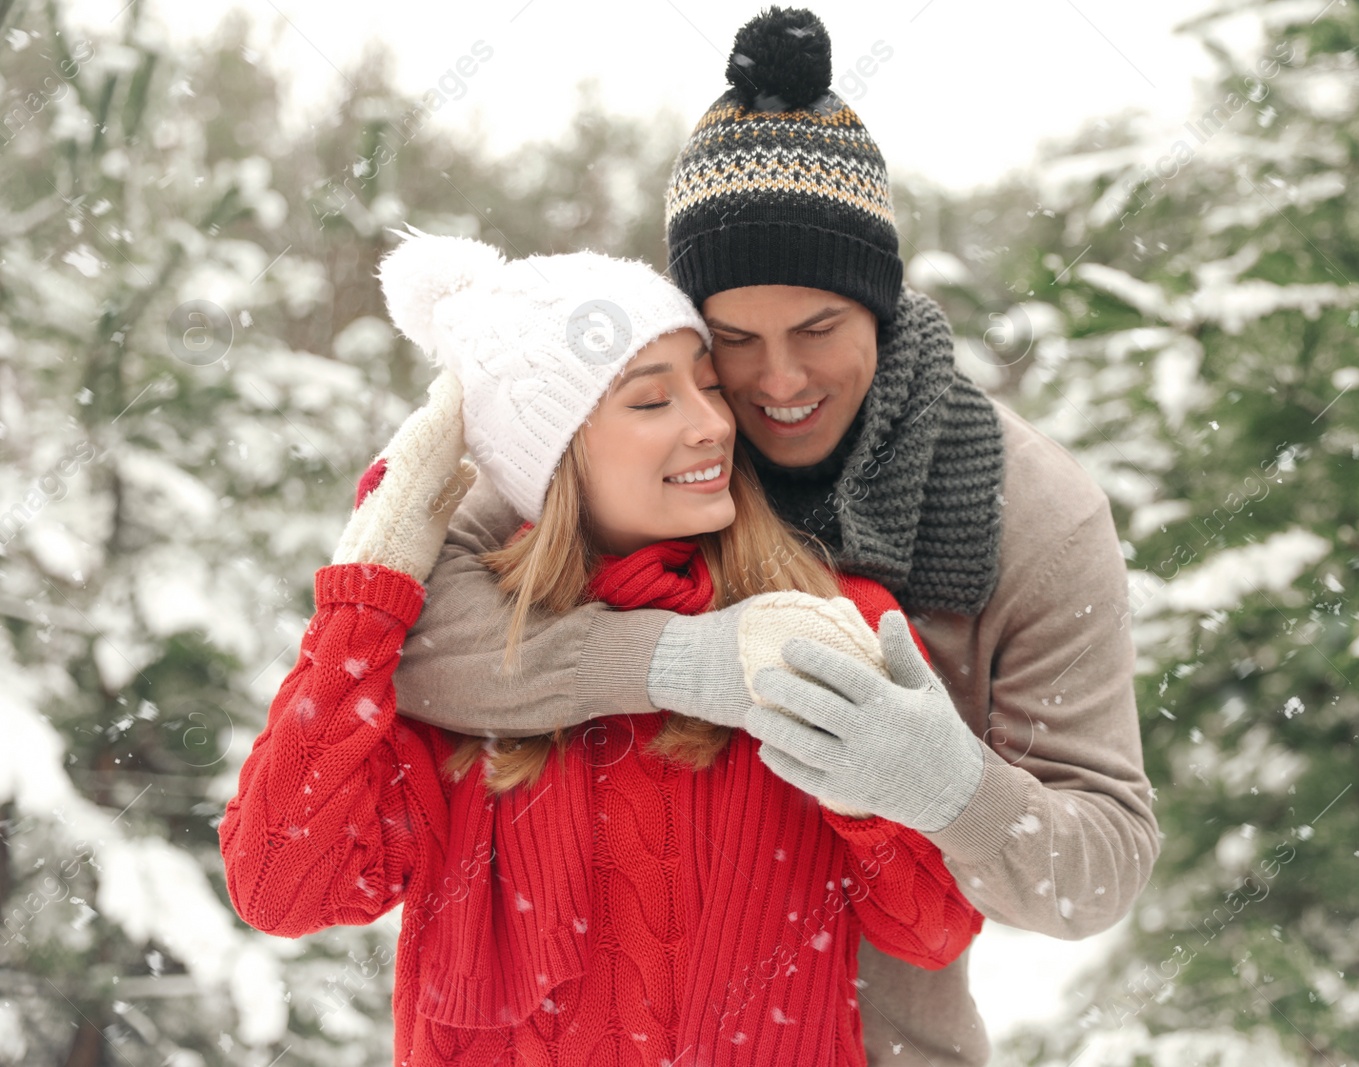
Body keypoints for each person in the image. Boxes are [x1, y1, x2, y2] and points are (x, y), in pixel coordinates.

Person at [393, 6, 1160, 1064]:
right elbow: (419, 635)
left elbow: (1100, 865)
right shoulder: (631, 440)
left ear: (880, 311)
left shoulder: (1028, 513)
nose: (776, 382)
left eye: (817, 330)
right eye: (733, 340)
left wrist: (949, 787)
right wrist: (680, 662)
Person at [219, 232, 985, 1066]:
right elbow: (279, 884)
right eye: (652, 402)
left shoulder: (828, 622)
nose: (712, 425)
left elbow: (934, 928)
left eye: (707, 387)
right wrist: (373, 578)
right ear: (551, 459)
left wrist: (862, 765)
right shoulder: (452, 678)